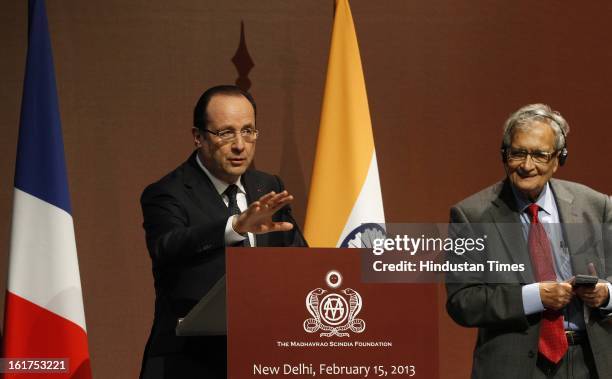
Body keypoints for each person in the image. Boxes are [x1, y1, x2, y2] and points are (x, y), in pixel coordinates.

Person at [139, 85, 308, 379]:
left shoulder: (268, 187)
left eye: (248, 131)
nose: (240, 145)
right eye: (226, 133)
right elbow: (168, 246)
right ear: (198, 137)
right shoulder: (167, 193)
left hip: (262, 359)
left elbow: (300, 262)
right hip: (189, 364)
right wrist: (234, 227)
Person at [446, 104, 612, 378]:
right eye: (518, 153)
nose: (526, 165)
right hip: (514, 367)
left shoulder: (595, 206)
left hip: (591, 362)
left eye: (539, 155)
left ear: (559, 159)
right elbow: (463, 302)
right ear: (504, 154)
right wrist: (535, 297)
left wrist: (605, 295)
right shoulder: (472, 215)